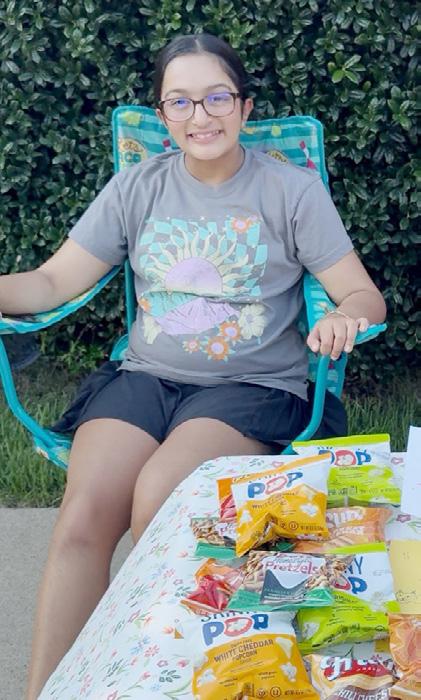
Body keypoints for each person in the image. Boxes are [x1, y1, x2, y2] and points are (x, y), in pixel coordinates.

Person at [0, 33, 386, 699]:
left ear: (244, 106)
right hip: (143, 378)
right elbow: (52, 281)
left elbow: (362, 294)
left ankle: (152, 679)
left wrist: (343, 316)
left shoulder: (289, 190)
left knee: (160, 497)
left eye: (216, 98)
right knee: (83, 517)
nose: (199, 116)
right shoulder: (138, 186)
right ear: (162, 113)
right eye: (179, 101)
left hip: (249, 388)